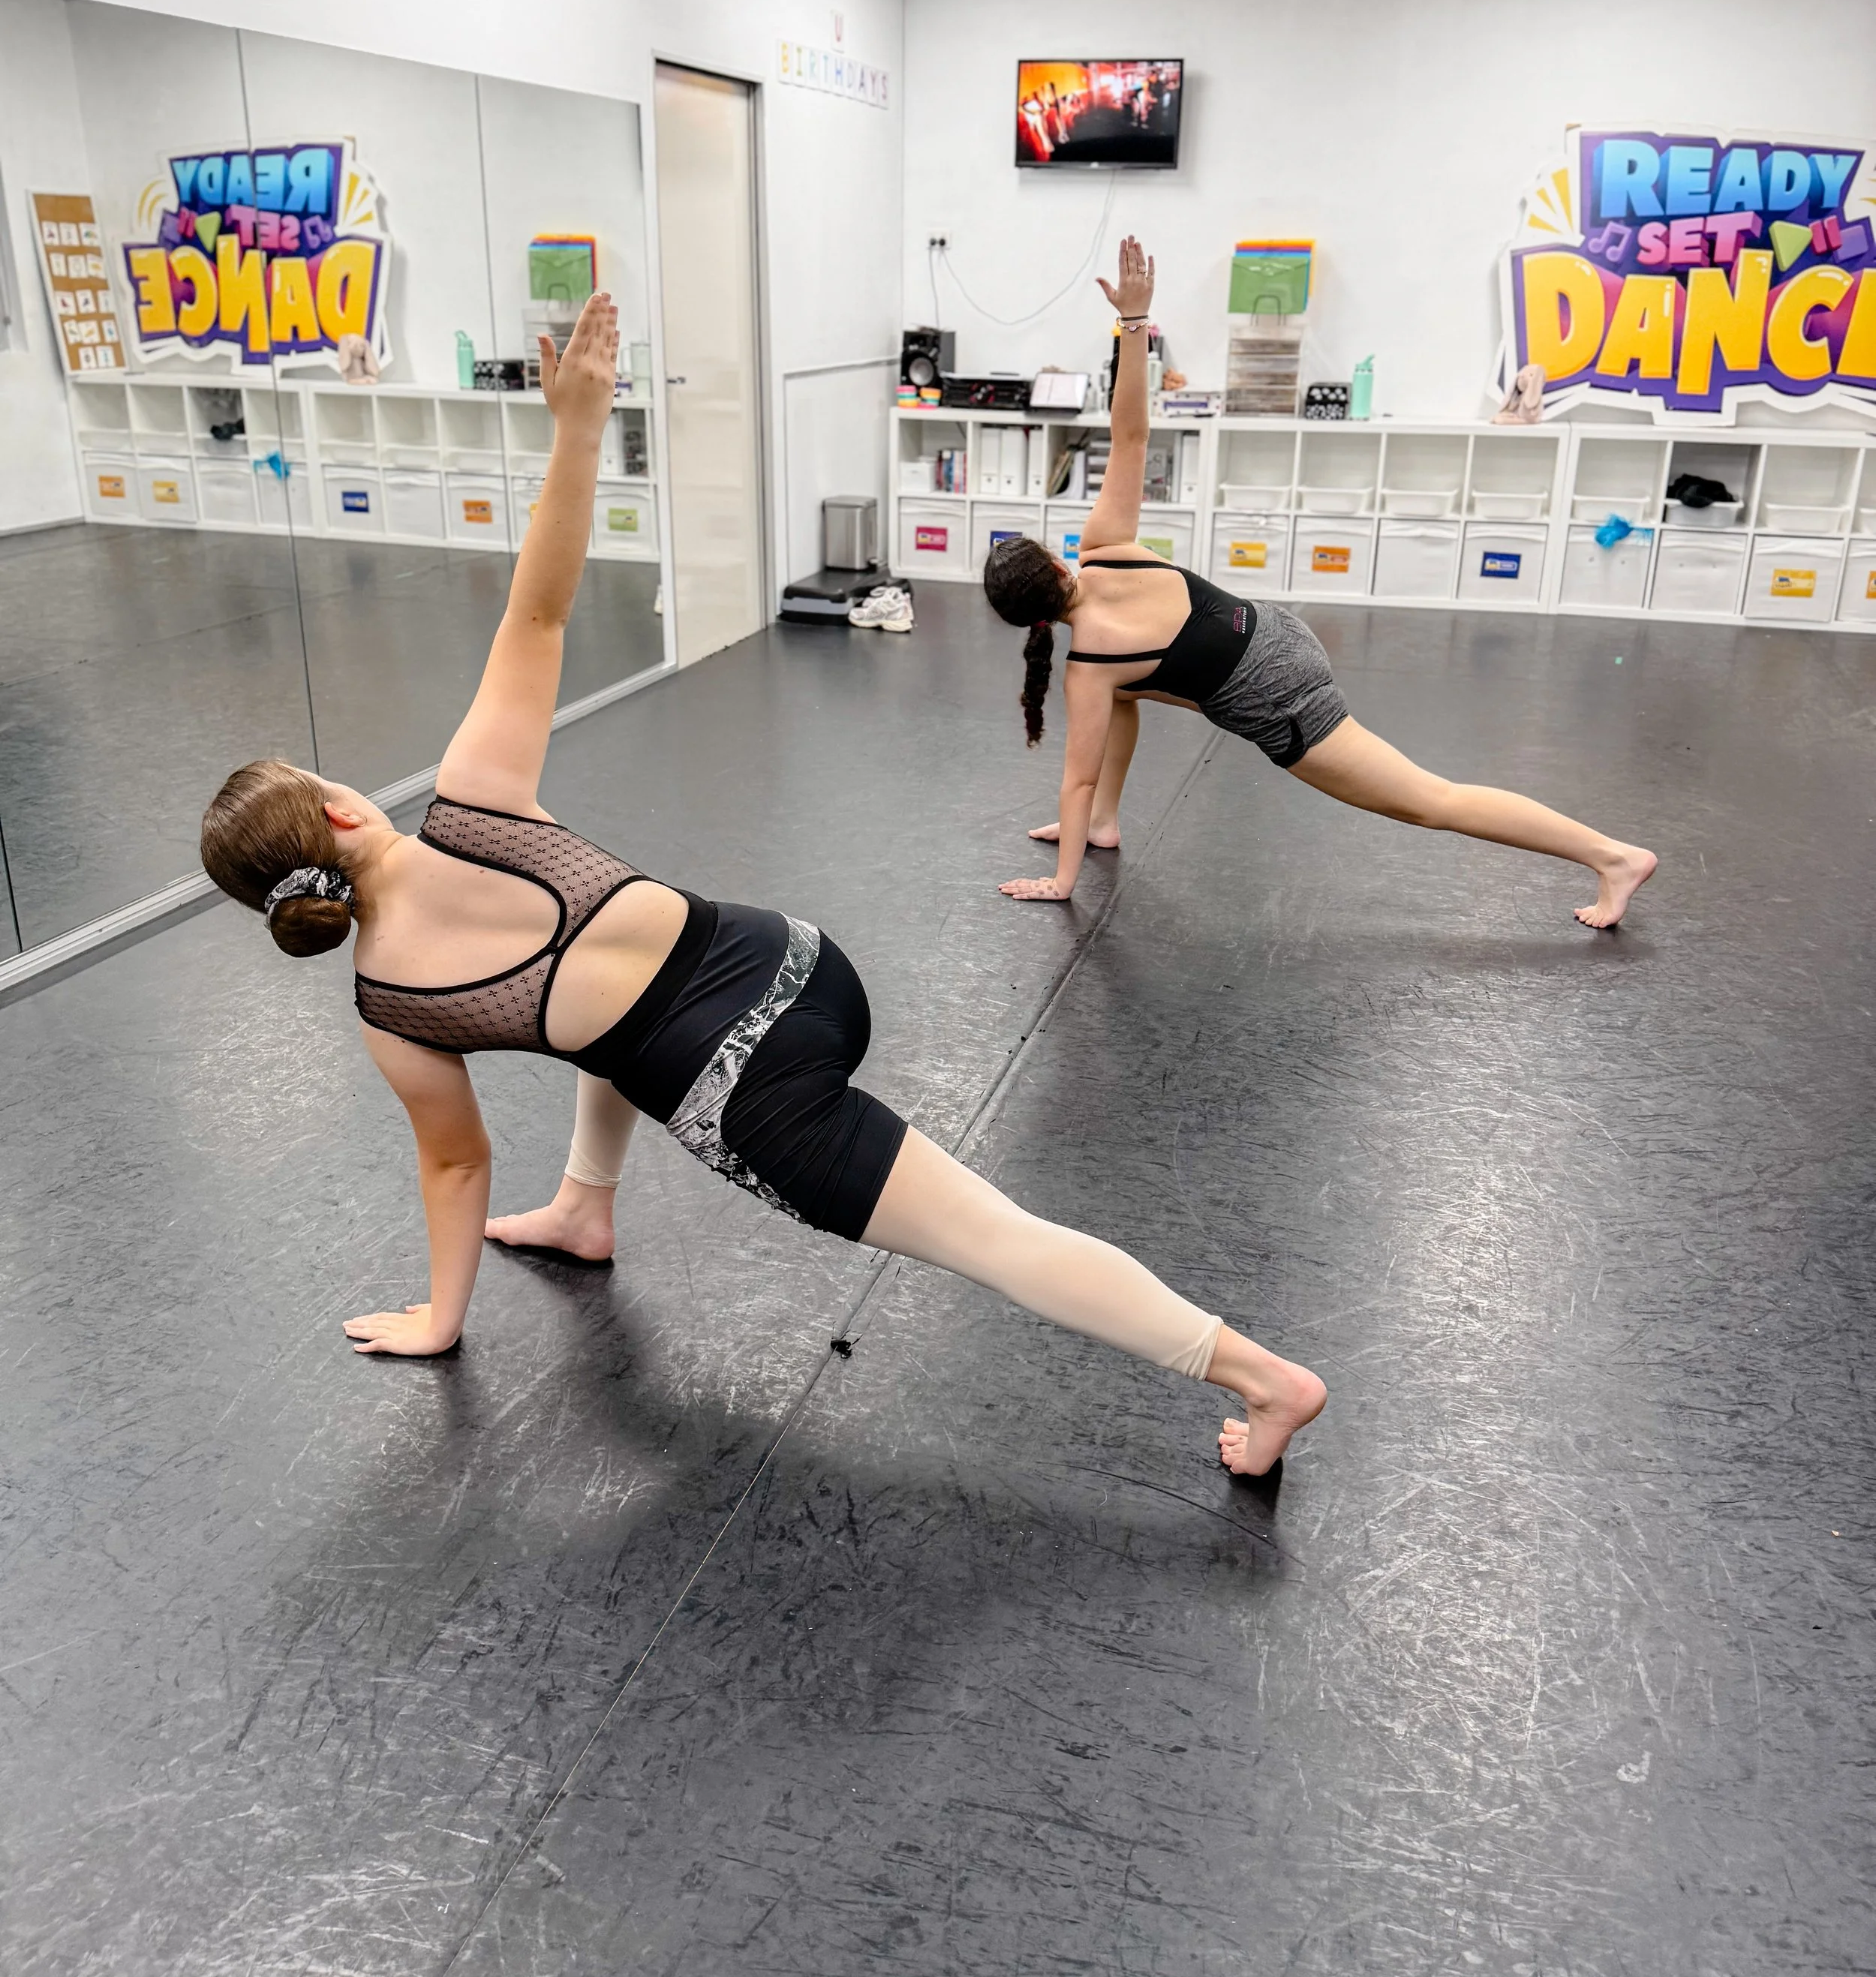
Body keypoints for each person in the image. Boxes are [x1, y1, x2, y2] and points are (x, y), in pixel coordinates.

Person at [198, 293, 1323, 1480]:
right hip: (800, 962)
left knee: (995, 1238)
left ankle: (1265, 1378)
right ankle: (586, 1208)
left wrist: (438, 1319)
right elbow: (542, 602)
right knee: (604, 1011)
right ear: (340, 808)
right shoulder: (473, 798)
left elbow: (455, 1166)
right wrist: (579, 429)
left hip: (757, 1099)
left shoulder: (395, 1007)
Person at [983, 238, 1658, 930]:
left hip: (1283, 697)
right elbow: (1130, 438)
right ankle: (1104, 827)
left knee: (1430, 799)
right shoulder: (1102, 549)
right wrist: (1134, 323)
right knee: (1131, 688)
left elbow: (1077, 773)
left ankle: (1611, 856)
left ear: (1027, 622)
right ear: (1059, 562)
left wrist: (1060, 883)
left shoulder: (1089, 664)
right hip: (1274, 627)